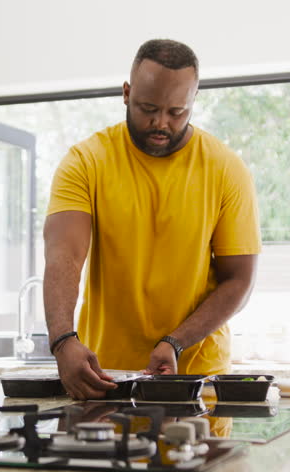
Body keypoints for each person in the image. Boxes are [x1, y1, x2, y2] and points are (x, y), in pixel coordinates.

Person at [43, 38, 261, 400]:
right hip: (105, 381)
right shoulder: (86, 160)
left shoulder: (226, 169)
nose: (161, 122)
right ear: (126, 93)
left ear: (193, 101)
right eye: (148, 108)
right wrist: (62, 339)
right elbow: (64, 253)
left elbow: (239, 280)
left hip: (196, 381)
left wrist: (175, 342)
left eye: (177, 112)